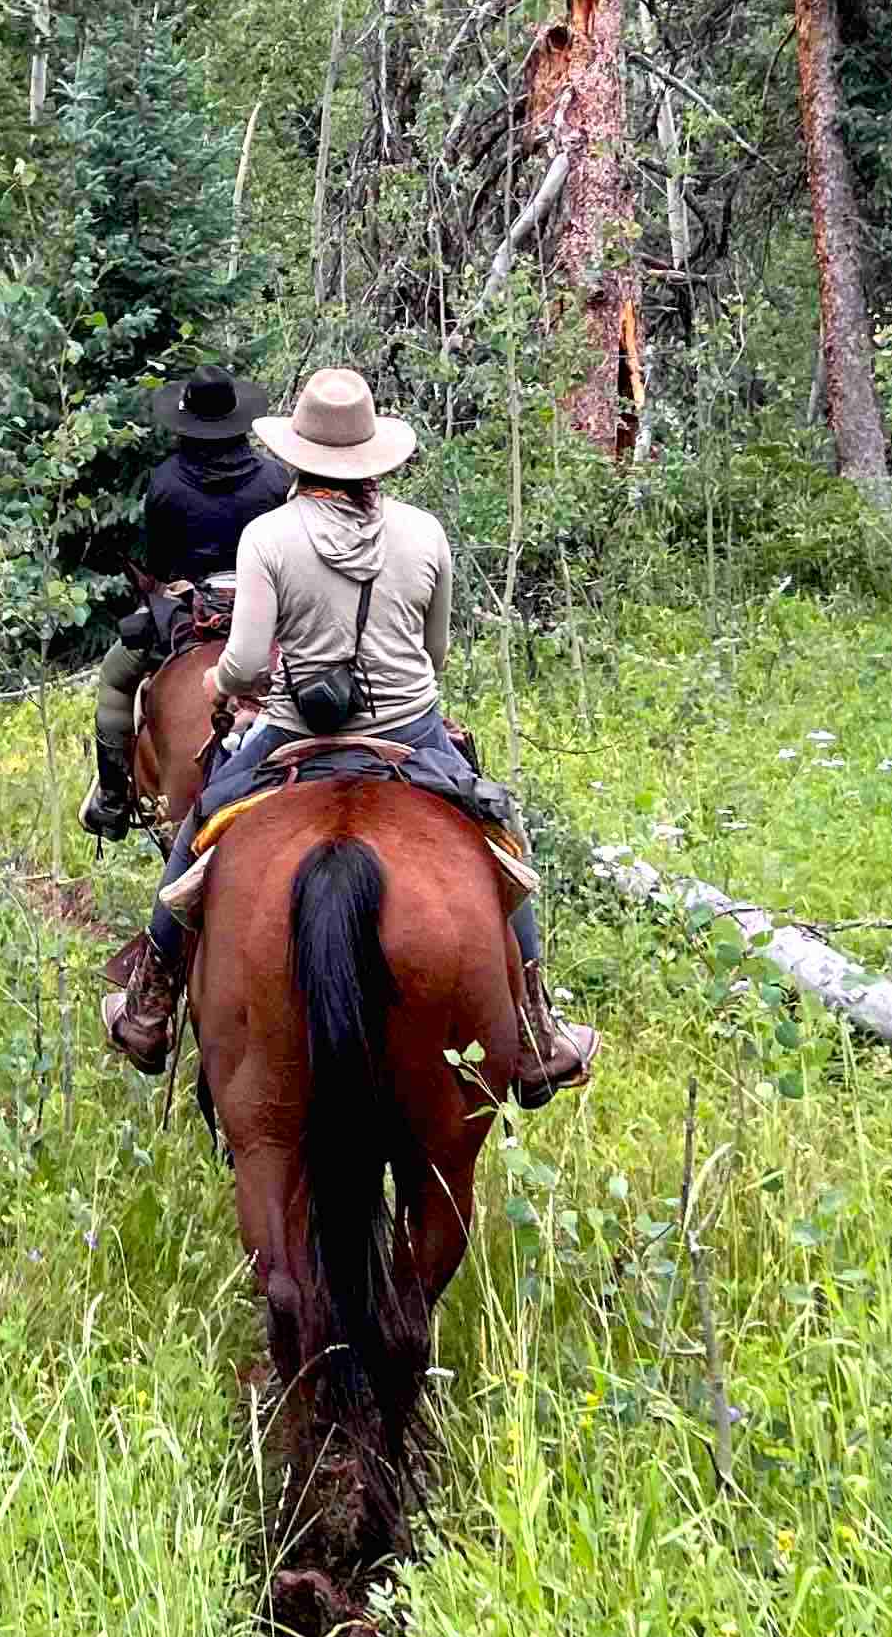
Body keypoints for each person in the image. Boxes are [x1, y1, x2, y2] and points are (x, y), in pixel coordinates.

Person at [108, 365, 597, 1102]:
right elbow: (434, 657)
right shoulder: (425, 533)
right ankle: (534, 1024)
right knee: (499, 833)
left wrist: (218, 684)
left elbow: (243, 662)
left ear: (297, 454)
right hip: (410, 727)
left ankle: (151, 1000)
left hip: (294, 728)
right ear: (374, 455)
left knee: (202, 824)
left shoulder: (270, 536)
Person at [79, 369, 291, 841]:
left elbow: (159, 563)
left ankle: (112, 799)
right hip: (272, 607)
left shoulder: (167, 482)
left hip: (193, 605)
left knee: (116, 680)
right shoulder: (275, 477)